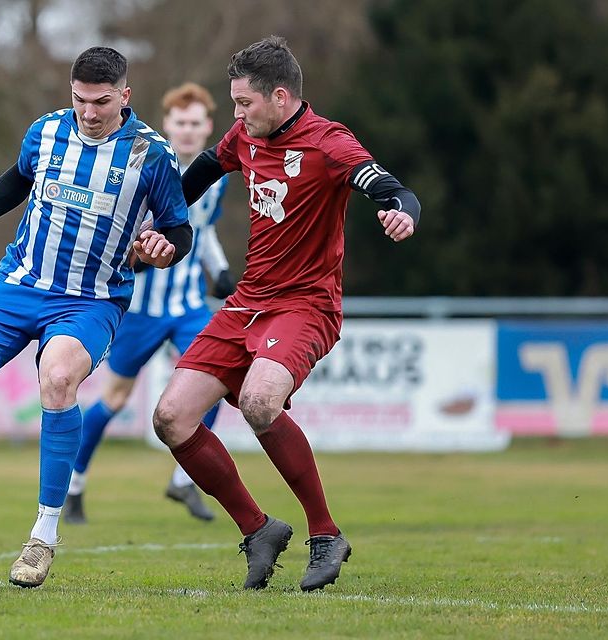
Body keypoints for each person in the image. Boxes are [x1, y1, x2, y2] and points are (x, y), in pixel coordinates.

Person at [0, 46, 193, 589]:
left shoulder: (151, 155)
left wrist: (163, 248)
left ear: (125, 96)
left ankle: (43, 535)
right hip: (18, 284)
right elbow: (18, 179)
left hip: (92, 299)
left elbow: (180, 228)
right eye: (80, 99)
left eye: (101, 102)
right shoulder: (47, 130)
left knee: (58, 380)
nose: (89, 112)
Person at [152, 36, 421, 592]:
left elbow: (391, 189)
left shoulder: (329, 143)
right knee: (171, 418)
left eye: (244, 103)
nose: (236, 115)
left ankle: (326, 534)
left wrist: (401, 212)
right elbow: (201, 172)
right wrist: (159, 219)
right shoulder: (245, 136)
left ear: (280, 96)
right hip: (247, 302)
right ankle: (259, 530)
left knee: (259, 401)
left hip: (306, 304)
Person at [63, 83, 235, 525]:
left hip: (189, 306)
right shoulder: (146, 162)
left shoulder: (216, 175)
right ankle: (74, 484)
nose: (188, 130)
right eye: (180, 122)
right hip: (139, 308)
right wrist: (129, 260)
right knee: (115, 398)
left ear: (208, 127)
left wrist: (219, 270)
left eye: (196, 123)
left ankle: (183, 479)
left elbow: (204, 230)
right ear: (168, 125)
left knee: (216, 382)